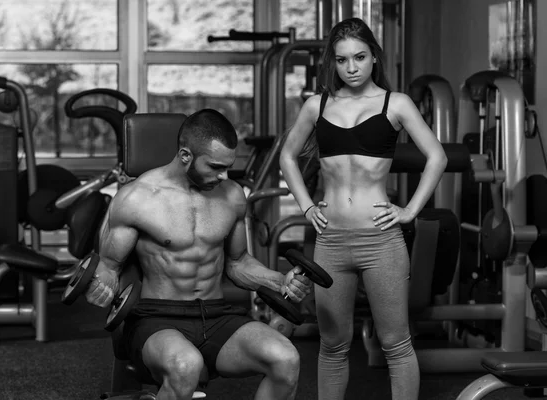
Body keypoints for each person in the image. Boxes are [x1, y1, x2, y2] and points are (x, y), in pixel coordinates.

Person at [84, 108, 314, 400]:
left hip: (217, 315)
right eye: (216, 167)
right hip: (157, 319)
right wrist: (98, 288)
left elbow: (238, 263)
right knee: (185, 366)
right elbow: (108, 267)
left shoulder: (231, 196)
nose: (225, 175)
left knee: (285, 359)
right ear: (185, 156)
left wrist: (279, 281)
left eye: (228, 166)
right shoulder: (136, 199)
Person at [279, 18, 447, 400]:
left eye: (359, 57)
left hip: (381, 240)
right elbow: (287, 157)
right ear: (332, 63)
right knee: (333, 345)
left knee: (396, 344)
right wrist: (306, 207)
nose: (351, 68)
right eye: (341, 60)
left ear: (374, 58)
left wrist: (410, 211)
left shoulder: (395, 103)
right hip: (331, 240)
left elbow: (436, 157)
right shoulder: (316, 104)